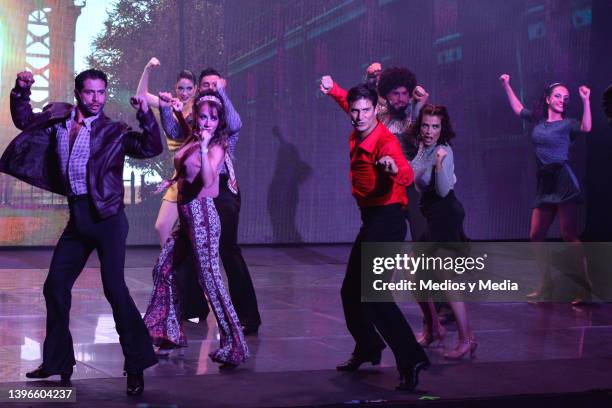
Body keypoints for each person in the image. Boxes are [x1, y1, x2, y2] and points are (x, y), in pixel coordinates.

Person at [0, 69, 161, 395]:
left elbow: (150, 147)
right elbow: (23, 120)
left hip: (109, 221)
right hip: (79, 219)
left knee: (115, 290)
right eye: (90, 92)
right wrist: (21, 90)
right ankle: (58, 361)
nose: (96, 99)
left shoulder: (113, 131)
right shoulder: (58, 118)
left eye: (101, 93)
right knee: (55, 287)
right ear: (77, 92)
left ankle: (136, 364)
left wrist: (146, 115)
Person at [321, 81, 429, 391]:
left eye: (365, 111)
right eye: (354, 111)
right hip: (371, 220)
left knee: (375, 296)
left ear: (375, 112)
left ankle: (412, 358)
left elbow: (407, 174)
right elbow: (349, 102)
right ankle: (369, 346)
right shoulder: (359, 119)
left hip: (389, 219)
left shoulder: (385, 141)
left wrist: (394, 169)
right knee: (350, 292)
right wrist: (333, 90)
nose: (358, 117)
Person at [143, 91, 249, 368]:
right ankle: (167, 333)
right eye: (203, 116)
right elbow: (184, 169)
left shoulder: (217, 145)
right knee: (164, 268)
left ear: (219, 121)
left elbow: (207, 177)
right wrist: (170, 182)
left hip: (203, 217)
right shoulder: (193, 136)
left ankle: (235, 344)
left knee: (211, 281)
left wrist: (203, 147)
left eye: (213, 118)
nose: (207, 122)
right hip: (187, 217)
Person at [161, 68, 262, 335]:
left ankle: (246, 318)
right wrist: (164, 106)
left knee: (227, 252)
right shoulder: (199, 122)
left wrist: (221, 93)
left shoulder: (223, 124)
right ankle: (192, 309)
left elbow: (234, 122)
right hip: (195, 193)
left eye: (213, 85)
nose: (208, 88)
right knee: (184, 252)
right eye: (204, 85)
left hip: (223, 192)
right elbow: (175, 132)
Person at [499, 74, 592, 305]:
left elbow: (587, 127)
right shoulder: (538, 121)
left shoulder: (567, 123)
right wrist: (506, 84)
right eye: (558, 96)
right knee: (536, 235)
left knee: (568, 235)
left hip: (563, 181)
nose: (562, 100)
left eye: (566, 98)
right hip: (545, 184)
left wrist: (586, 100)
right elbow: (518, 108)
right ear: (548, 99)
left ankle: (585, 286)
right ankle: (545, 283)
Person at [136, 58, 209, 325]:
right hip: (176, 178)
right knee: (162, 229)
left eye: (190, 88)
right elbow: (141, 95)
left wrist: (179, 111)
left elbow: (193, 135)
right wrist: (147, 68)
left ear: (196, 90)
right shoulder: (169, 102)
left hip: (192, 177)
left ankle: (193, 297)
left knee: (193, 241)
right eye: (181, 88)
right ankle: (173, 283)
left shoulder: (201, 109)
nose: (185, 92)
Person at [320, 67, 429, 241]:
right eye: (395, 94)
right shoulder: (377, 114)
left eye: (404, 94)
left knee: (420, 229)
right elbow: (354, 107)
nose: (400, 98)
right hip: (386, 182)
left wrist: (418, 105)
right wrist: (333, 88)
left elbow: (422, 131)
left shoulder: (413, 116)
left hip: (409, 180)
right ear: (386, 95)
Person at [409, 104, 475, 359]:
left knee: (447, 280)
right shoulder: (423, 147)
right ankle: (434, 328)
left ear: (442, 128)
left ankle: (465, 339)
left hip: (445, 215)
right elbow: (414, 172)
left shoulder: (443, 150)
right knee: (416, 275)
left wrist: (438, 165)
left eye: (435, 126)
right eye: (425, 125)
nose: (429, 130)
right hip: (434, 217)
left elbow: (445, 190)